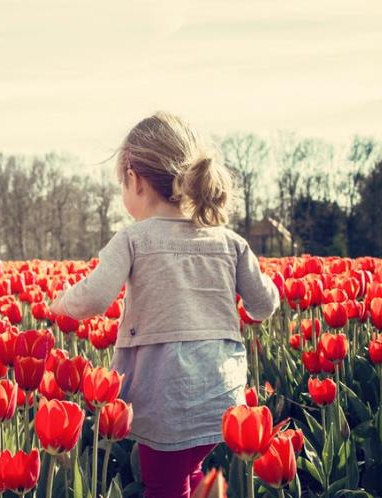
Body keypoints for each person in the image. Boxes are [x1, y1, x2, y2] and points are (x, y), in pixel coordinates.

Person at [50, 112, 280, 498]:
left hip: (165, 398)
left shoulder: (133, 239)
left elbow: (93, 297)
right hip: (220, 396)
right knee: (190, 472)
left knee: (163, 485)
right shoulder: (229, 242)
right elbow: (264, 305)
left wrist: (59, 304)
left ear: (134, 178)